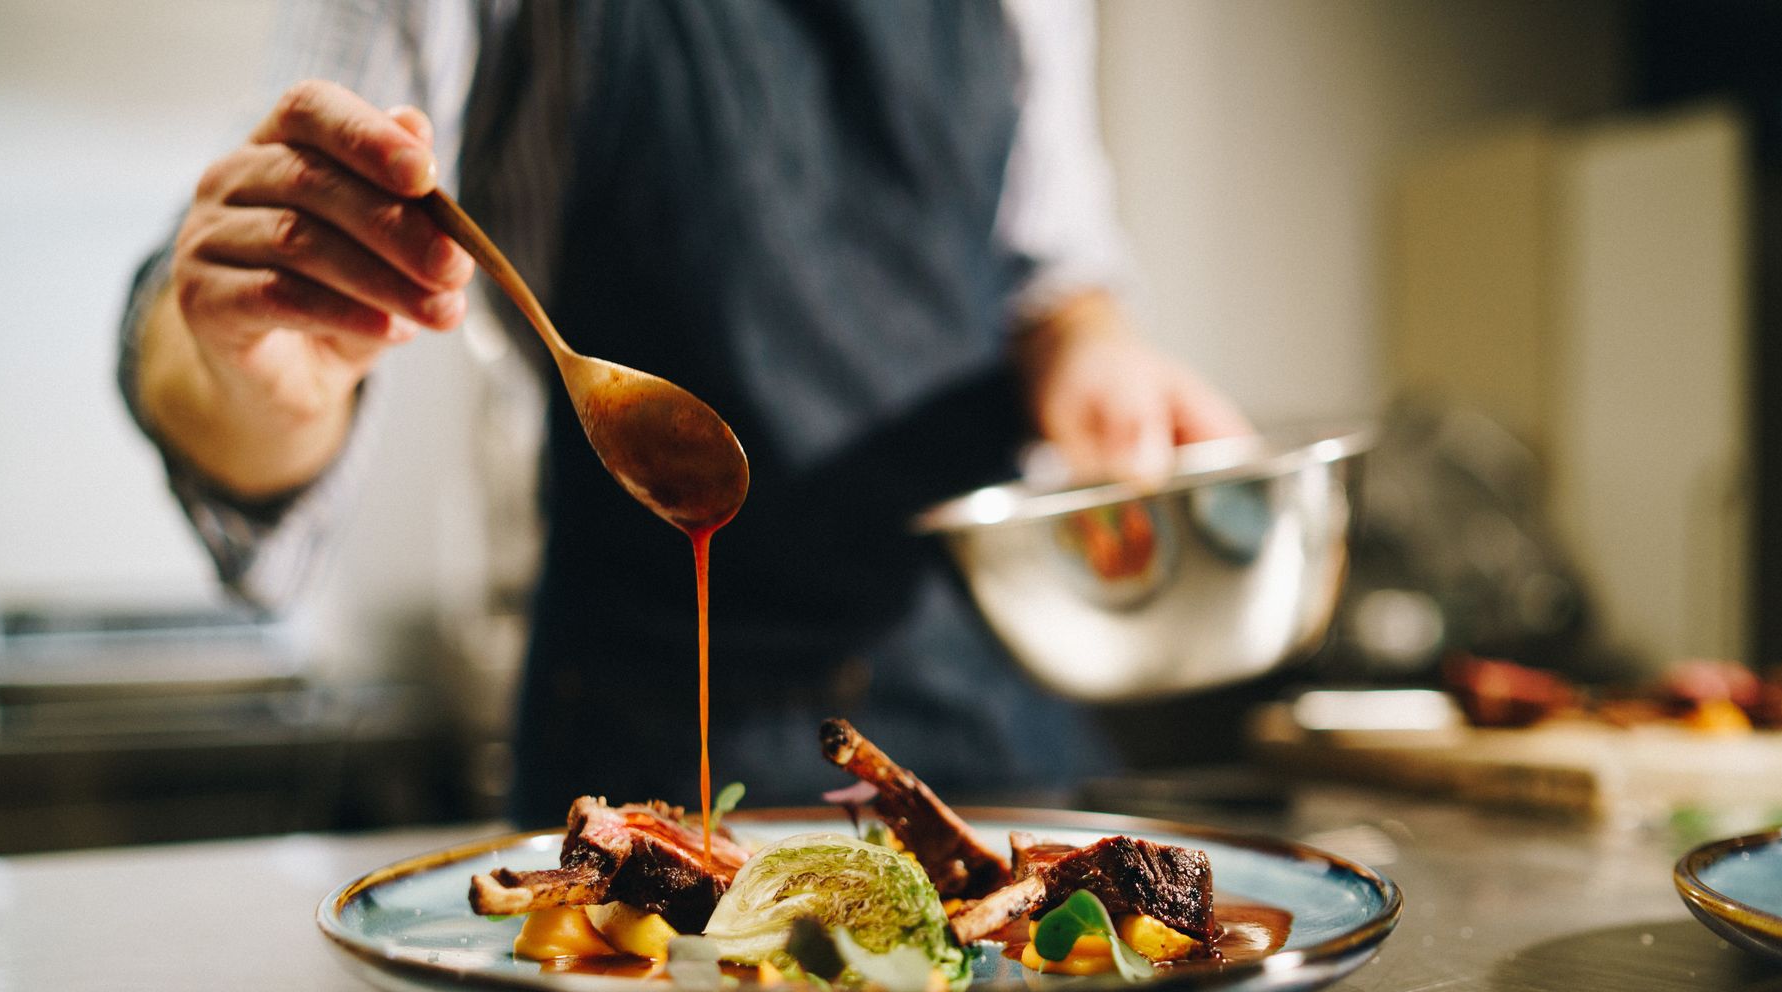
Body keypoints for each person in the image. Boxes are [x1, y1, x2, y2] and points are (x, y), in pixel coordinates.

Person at [120, 0, 1253, 824]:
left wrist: (1091, 350)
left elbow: (1051, 269)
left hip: (994, 729)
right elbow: (242, 303)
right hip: (652, 758)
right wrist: (248, 366)